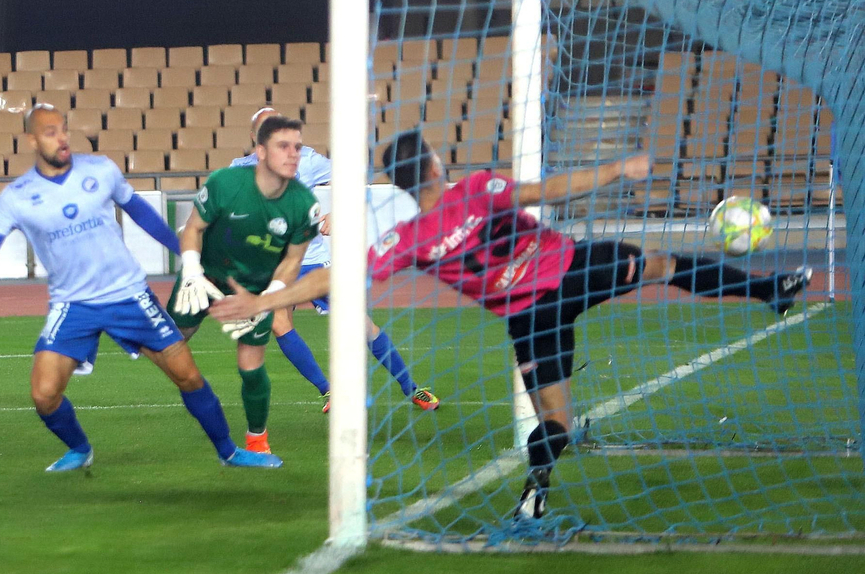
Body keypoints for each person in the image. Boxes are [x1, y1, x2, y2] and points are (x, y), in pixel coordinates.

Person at [211, 128, 813, 521]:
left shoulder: (408, 238)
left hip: (527, 319)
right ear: (436, 163)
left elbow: (336, 278)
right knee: (663, 264)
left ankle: (536, 489)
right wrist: (614, 170)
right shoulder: (475, 188)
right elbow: (547, 188)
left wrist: (264, 303)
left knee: (556, 419)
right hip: (572, 270)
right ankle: (770, 290)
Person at [0, 104, 281, 471]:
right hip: (72, 304)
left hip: (128, 294)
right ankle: (79, 448)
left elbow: (140, 212)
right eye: (50, 132)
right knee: (43, 395)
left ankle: (229, 452)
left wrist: (185, 251)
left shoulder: (100, 169)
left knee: (187, 375)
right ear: (31, 139)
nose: (61, 139)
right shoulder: (17, 195)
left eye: (63, 130)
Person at [230, 107, 437, 412]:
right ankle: (329, 391)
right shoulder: (239, 169)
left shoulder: (306, 159)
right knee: (278, 322)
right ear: (254, 138)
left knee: (360, 323)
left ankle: (411, 388)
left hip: (311, 259)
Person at [167, 115, 321, 458]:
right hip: (203, 277)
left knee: (251, 367)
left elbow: (293, 259)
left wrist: (267, 297)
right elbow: (193, 229)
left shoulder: (303, 204)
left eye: (298, 146)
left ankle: (256, 440)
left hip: (254, 289)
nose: (294, 153)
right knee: (167, 345)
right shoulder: (225, 182)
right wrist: (191, 270)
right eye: (284, 146)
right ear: (261, 151)